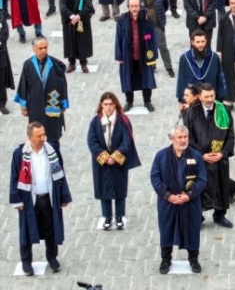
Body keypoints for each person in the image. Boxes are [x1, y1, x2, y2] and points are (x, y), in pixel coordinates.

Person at [10, 122, 72, 276]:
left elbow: (60, 175)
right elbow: (14, 178)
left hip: (49, 198)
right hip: (29, 199)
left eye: (44, 134)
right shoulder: (20, 154)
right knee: (27, 230)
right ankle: (26, 261)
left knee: (51, 228)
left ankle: (52, 257)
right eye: (39, 136)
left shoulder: (52, 150)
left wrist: (63, 196)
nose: (43, 138)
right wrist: (17, 201)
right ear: (30, 137)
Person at [151, 124, 207, 274]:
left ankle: (193, 259)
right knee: (166, 229)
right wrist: (168, 195)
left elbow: (202, 179)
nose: (183, 140)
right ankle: (165, 259)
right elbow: (155, 177)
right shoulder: (161, 156)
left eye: (185, 137)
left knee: (193, 229)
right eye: (179, 137)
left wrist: (189, 195)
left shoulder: (195, 156)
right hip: (168, 203)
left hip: (190, 203)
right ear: (172, 139)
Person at [184, 83, 235, 228]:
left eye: (212, 95)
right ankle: (197, 216)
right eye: (206, 96)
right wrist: (202, 155)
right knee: (198, 187)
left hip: (219, 158)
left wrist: (223, 153)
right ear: (199, 97)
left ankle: (220, 215)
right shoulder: (191, 113)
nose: (210, 99)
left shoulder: (223, 110)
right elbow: (188, 137)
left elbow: (230, 135)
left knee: (221, 185)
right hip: (199, 159)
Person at [87, 92, 141, 230]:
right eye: (106, 104)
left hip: (118, 161)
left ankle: (119, 216)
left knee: (119, 188)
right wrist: (105, 157)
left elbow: (126, 141)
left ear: (115, 104)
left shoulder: (123, 120)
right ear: (101, 105)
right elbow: (92, 141)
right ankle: (107, 216)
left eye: (111, 104)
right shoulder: (95, 122)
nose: (109, 107)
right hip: (101, 162)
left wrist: (115, 156)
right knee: (104, 189)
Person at [14, 37, 68, 146]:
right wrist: (23, 106)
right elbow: (24, 85)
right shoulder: (28, 65)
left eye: (45, 47)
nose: (43, 50)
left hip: (52, 104)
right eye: (40, 48)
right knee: (36, 131)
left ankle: (54, 155)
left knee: (53, 134)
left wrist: (63, 104)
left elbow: (63, 86)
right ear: (34, 49)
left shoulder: (55, 65)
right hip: (35, 105)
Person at [115, 0, 158, 112]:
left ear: (140, 6)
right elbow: (118, 38)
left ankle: (147, 101)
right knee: (128, 78)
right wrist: (119, 55)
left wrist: (153, 53)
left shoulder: (146, 18)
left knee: (146, 79)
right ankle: (129, 101)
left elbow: (152, 36)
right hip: (128, 55)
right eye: (132, 6)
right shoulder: (122, 19)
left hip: (144, 54)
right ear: (128, 7)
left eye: (136, 6)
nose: (134, 8)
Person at [176, 29, 227, 106]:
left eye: (202, 41)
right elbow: (181, 80)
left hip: (209, 99)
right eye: (198, 42)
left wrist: (220, 98)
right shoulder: (184, 58)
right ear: (192, 42)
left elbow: (220, 78)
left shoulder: (214, 57)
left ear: (206, 41)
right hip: (192, 100)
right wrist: (181, 99)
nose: (200, 45)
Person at [138, 0, 175, 78]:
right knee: (148, 46)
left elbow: (166, 7)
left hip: (158, 26)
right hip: (145, 28)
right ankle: (151, 65)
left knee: (162, 47)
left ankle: (169, 67)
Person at [59, 0, 95, 74]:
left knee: (83, 41)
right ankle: (72, 63)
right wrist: (71, 16)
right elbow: (62, 6)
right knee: (70, 42)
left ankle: (83, 63)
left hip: (81, 20)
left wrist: (78, 16)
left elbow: (88, 5)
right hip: (69, 21)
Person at [0, 0, 13, 115]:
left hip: (0, 52)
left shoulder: (0, 15)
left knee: (1, 78)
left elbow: (4, 31)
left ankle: (2, 103)